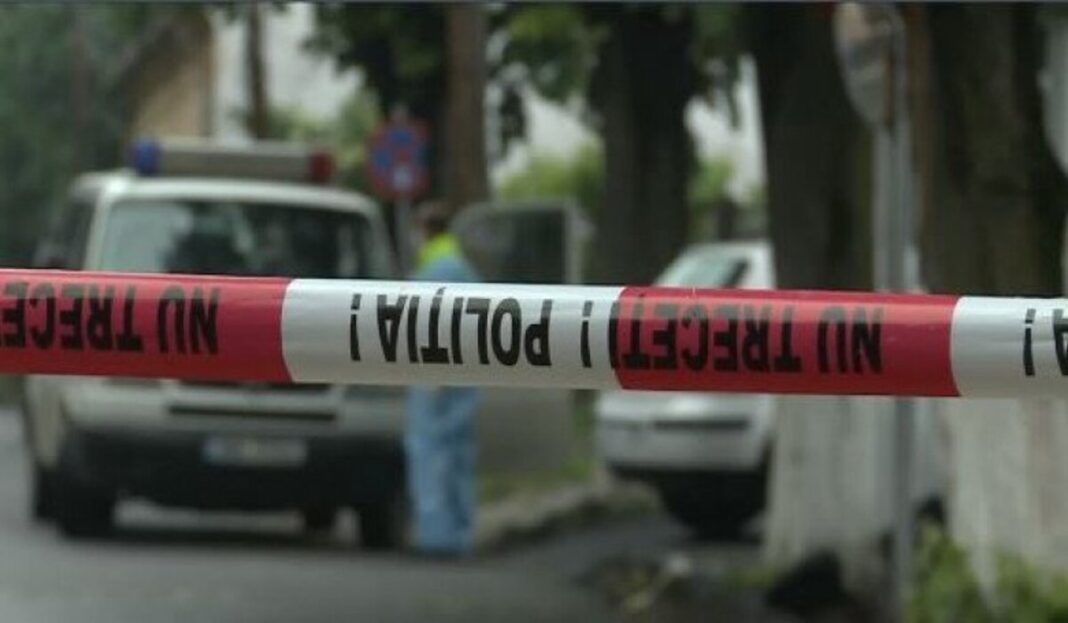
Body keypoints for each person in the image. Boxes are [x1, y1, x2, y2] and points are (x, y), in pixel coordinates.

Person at [405, 201, 481, 557]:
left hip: (435, 383)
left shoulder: (433, 271)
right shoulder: (462, 267)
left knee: (433, 461)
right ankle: (461, 534)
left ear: (424, 231)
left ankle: (438, 537)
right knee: (459, 461)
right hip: (463, 381)